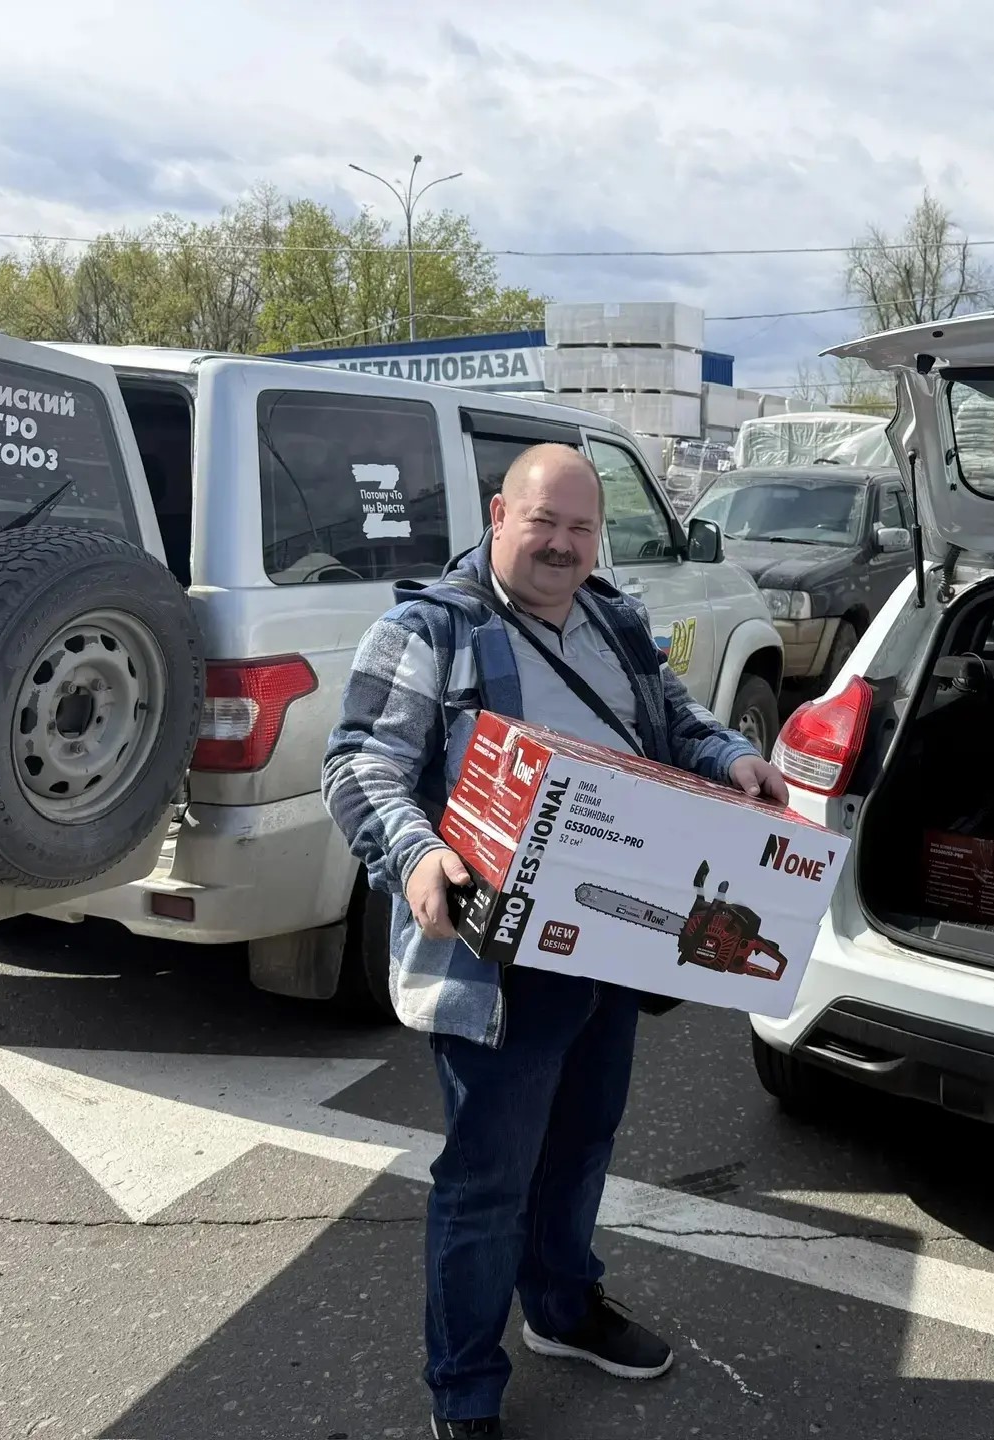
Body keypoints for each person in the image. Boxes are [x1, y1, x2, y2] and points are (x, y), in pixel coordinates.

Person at [322, 443, 787, 1439]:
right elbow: (360, 763)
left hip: (611, 942)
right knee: (486, 1183)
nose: (564, 545)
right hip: (497, 957)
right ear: (500, 516)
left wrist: (731, 757)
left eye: (582, 528)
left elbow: (673, 718)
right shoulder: (431, 629)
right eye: (544, 523)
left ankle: (563, 1307)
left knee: (581, 1146)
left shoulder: (615, 619)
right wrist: (416, 857)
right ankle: (465, 1388)